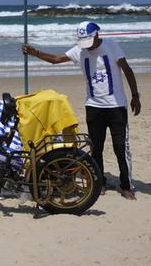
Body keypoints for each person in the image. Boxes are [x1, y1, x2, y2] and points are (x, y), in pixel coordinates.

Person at [22, 21, 142, 200]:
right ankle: (100, 182)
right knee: (96, 148)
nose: (88, 46)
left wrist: (135, 95)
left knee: (120, 147)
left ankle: (126, 186)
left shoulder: (112, 47)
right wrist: (35, 53)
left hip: (116, 107)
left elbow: (127, 70)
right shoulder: (79, 50)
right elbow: (56, 60)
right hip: (94, 106)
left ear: (97, 35)